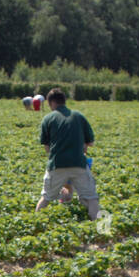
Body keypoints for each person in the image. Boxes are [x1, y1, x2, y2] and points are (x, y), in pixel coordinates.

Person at [36, 88, 99, 220]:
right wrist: (82, 146)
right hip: (79, 164)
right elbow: (91, 142)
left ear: (51, 103)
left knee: (46, 198)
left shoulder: (48, 118)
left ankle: (36, 223)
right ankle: (100, 229)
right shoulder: (79, 116)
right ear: (64, 101)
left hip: (57, 164)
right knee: (92, 198)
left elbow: (47, 148)